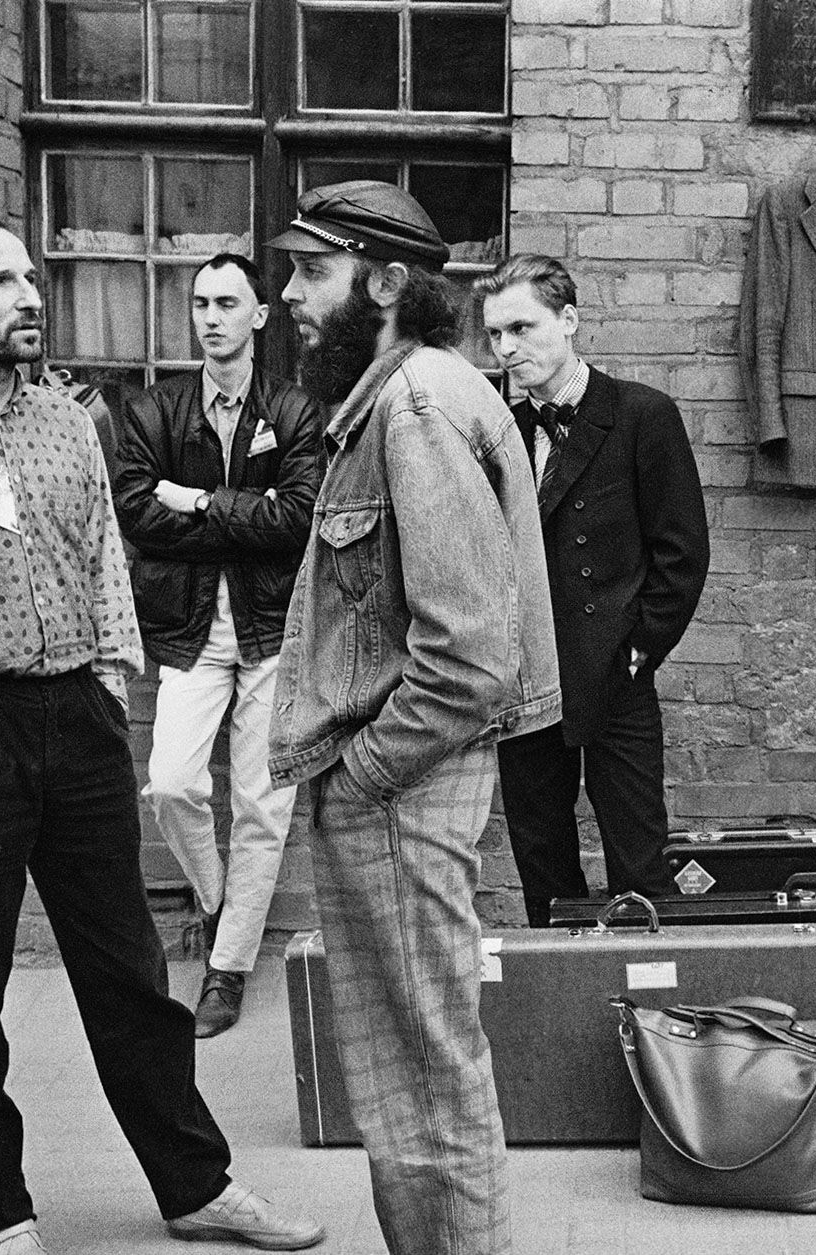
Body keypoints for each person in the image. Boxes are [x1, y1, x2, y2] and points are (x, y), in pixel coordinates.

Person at [0, 213, 322, 1255]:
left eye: (30, 276)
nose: (28, 295)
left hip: (78, 718)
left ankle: (197, 1186)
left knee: (132, 972)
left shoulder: (66, 419)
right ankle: (1, 1214)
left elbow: (105, 557)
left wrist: (106, 681)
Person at [266, 182, 559, 1255]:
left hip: (401, 787)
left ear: (387, 283)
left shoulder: (416, 406)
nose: (290, 296)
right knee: (414, 1068)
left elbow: (469, 655)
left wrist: (363, 777)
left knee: (422, 1080)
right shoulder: (403, 395)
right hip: (403, 786)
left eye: (313, 272)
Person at [114, 254, 323, 1037]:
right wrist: (245, 514)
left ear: (259, 316)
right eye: (200, 302)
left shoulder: (293, 410)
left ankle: (227, 968)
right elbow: (139, 514)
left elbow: (297, 519)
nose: (210, 317)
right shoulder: (155, 410)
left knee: (264, 807)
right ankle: (218, 899)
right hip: (190, 630)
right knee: (171, 782)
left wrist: (198, 501)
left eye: (227, 303)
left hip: (272, 631)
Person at [477, 254, 710, 926]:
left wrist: (635, 656)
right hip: (528, 684)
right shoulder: (499, 429)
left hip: (615, 678)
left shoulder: (641, 414)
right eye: (494, 335)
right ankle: (564, 985)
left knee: (640, 861)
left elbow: (681, 555)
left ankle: (649, 987)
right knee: (542, 864)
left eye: (521, 328)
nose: (506, 349)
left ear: (569, 319)